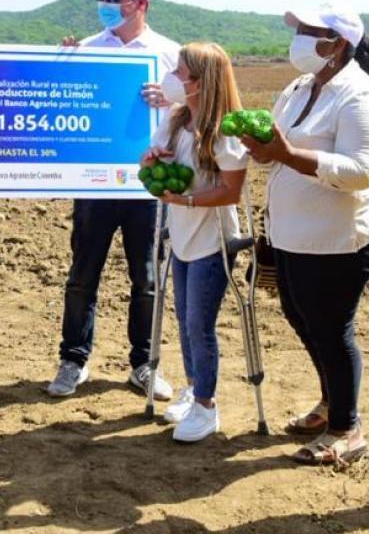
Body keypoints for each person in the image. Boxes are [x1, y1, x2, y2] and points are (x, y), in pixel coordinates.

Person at [240, 5, 369, 464]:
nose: (300, 39)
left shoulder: (361, 98)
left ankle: (348, 429)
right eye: (299, 31)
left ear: (338, 44)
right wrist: (263, 151)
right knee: (302, 318)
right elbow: (276, 148)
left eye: (311, 32)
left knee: (332, 329)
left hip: (338, 240)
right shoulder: (298, 88)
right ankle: (331, 403)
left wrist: (287, 154)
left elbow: (361, 172)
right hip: (290, 235)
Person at [47, 0, 180, 400]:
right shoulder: (86, 50)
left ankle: (144, 364)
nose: (105, 5)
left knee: (147, 278)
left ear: (140, 3)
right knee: (83, 274)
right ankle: (73, 359)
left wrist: (171, 99)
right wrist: (60, 65)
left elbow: (194, 113)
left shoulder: (170, 55)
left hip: (148, 185)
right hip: (96, 182)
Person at [141, 42, 247, 442]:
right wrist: (151, 160)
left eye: (181, 71)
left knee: (200, 325)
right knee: (184, 321)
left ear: (202, 81)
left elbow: (230, 192)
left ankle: (206, 406)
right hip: (181, 236)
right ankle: (192, 388)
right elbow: (150, 161)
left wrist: (184, 199)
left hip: (213, 240)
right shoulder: (175, 119)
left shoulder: (225, 133)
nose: (174, 77)